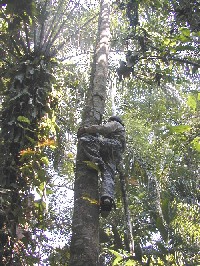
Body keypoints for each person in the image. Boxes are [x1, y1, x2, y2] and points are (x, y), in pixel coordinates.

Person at [77, 116, 126, 217]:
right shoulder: (122, 133)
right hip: (115, 154)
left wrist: (86, 129)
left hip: (112, 147)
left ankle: (96, 161)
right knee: (108, 174)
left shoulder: (116, 124)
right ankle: (106, 198)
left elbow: (105, 128)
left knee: (86, 139)